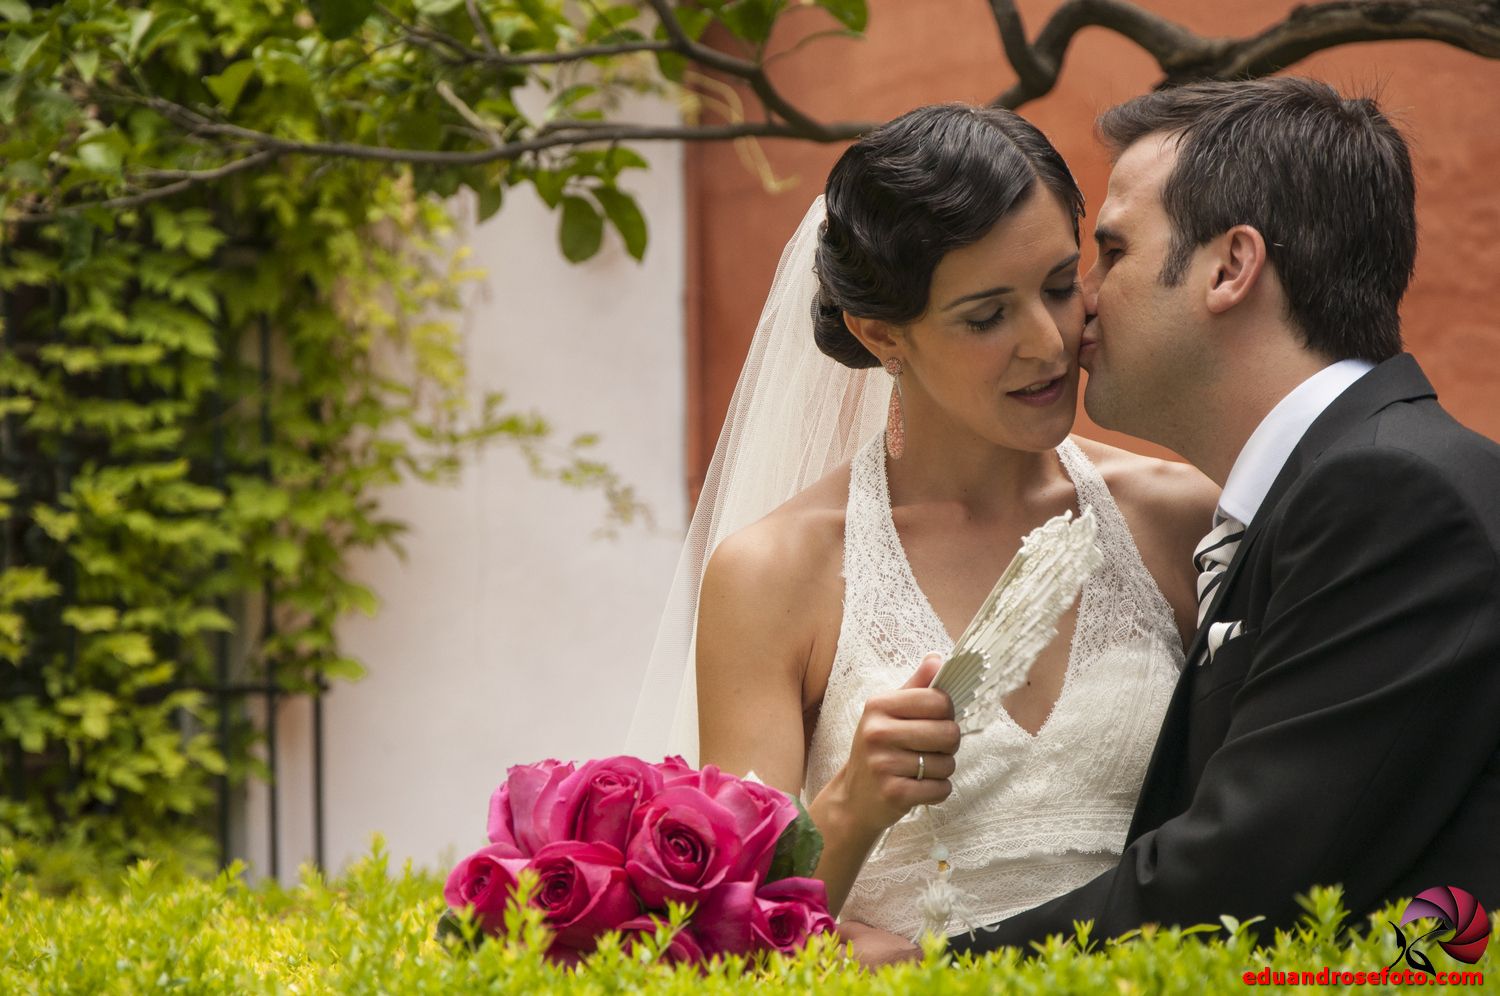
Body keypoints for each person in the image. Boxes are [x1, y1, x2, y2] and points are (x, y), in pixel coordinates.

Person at [846, 77, 1500, 962]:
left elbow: (1252, 868)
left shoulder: (1390, 496)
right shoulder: (1323, 491)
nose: (1079, 308)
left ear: (1230, 268)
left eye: (1109, 253)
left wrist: (933, 967)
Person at [628, 103, 1219, 939]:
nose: (1049, 343)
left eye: (1058, 285)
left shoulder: (1179, 518)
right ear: (880, 335)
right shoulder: (777, 572)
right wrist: (852, 804)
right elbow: (731, 932)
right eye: (986, 316)